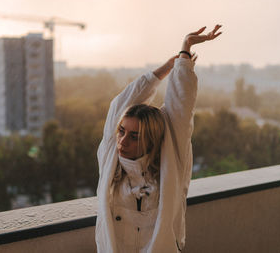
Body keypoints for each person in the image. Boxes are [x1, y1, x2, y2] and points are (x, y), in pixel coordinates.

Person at [95, 25, 222, 253]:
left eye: (135, 136)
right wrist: (165, 68)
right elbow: (120, 104)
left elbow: (181, 107)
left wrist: (185, 50)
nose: (122, 142)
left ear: (152, 141)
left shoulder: (170, 165)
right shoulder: (110, 160)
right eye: (121, 131)